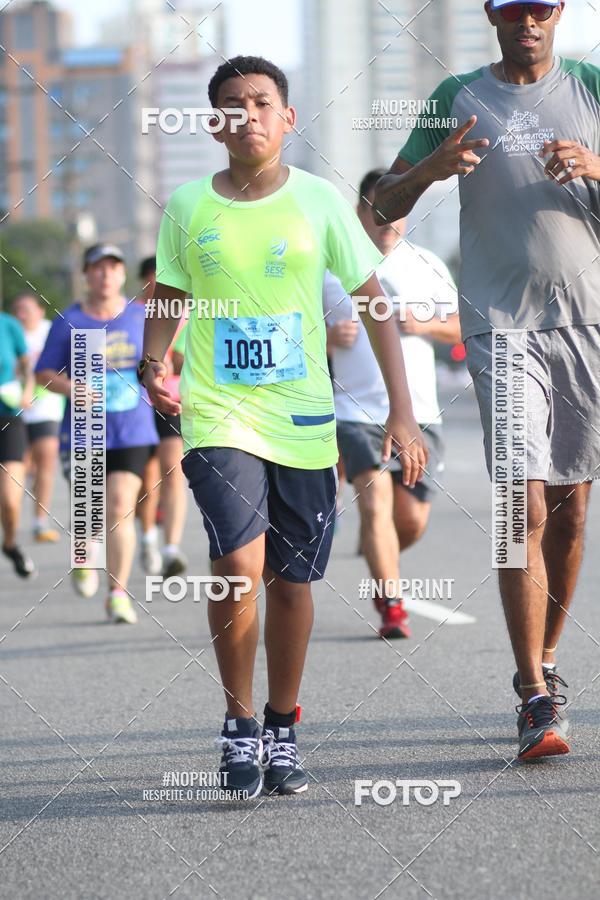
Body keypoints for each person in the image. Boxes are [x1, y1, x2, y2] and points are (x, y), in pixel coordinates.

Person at [141, 55, 427, 798]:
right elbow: (168, 294)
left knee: (294, 582)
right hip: (218, 412)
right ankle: (238, 726)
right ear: (215, 124)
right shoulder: (187, 206)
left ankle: (281, 723)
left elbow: (374, 302)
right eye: (232, 104)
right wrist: (153, 362)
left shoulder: (322, 203)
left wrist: (401, 409)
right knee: (239, 562)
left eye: (262, 101)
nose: (248, 114)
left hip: (303, 417)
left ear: (287, 118)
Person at [375, 0, 600, 760]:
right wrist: (429, 170)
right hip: (501, 326)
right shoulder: (457, 98)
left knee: (569, 512)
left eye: (539, 9)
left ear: (559, 13)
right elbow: (380, 203)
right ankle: (533, 695)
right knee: (521, 502)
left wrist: (597, 166)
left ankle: (546, 662)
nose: (526, 21)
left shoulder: (593, 88)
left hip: (587, 323)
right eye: (513, 10)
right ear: (491, 16)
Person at [324, 168, 460, 639]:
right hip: (356, 413)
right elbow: (290, 333)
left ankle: (382, 559)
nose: (388, 220)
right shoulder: (331, 271)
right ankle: (392, 605)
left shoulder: (426, 265)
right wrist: (325, 336)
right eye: (379, 209)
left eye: (397, 209)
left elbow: (463, 326)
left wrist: (426, 326)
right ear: (360, 211)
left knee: (411, 519)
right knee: (375, 502)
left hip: (421, 413)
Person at [36, 243, 159, 623]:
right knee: (89, 515)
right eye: (98, 269)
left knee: (120, 507)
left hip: (132, 428)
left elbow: (158, 361)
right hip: (85, 430)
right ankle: (84, 555)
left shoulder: (140, 317)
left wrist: (158, 376)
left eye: (113, 268)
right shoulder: (69, 321)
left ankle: (118, 594)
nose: (105, 275)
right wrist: (73, 388)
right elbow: (44, 374)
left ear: (123, 275)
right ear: (86, 275)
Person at [136, 256, 188, 578]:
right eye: (154, 281)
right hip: (136, 405)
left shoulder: (184, 315)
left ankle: (171, 548)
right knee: (147, 478)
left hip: (171, 400)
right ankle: (147, 539)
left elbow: (185, 357)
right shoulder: (130, 315)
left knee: (172, 468)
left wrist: (176, 360)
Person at [11, 292, 64, 543]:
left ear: (40, 311)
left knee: (46, 459)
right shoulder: (8, 333)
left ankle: (39, 522)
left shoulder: (49, 331)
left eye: (27, 309)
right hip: (13, 409)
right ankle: (11, 517)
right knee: (17, 467)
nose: (23, 314)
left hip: (47, 408)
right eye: (18, 309)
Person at [0, 309, 36, 578]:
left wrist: (26, 390)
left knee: (10, 500)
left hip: (8, 418)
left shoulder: (9, 324)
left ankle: (10, 544)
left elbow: (27, 368)